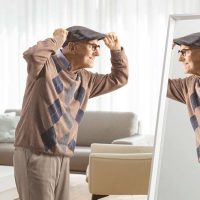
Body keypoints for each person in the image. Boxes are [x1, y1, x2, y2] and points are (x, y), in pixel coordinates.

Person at [13, 26, 128, 200]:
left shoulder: (86, 79)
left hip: (63, 155)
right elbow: (32, 55)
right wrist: (56, 41)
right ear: (73, 47)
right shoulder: (45, 66)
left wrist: (116, 51)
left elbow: (119, 78)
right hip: (36, 152)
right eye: (93, 47)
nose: (97, 53)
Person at [167, 32, 200, 162]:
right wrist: (164, 50)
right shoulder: (189, 85)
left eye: (184, 52)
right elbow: (155, 81)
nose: (180, 59)